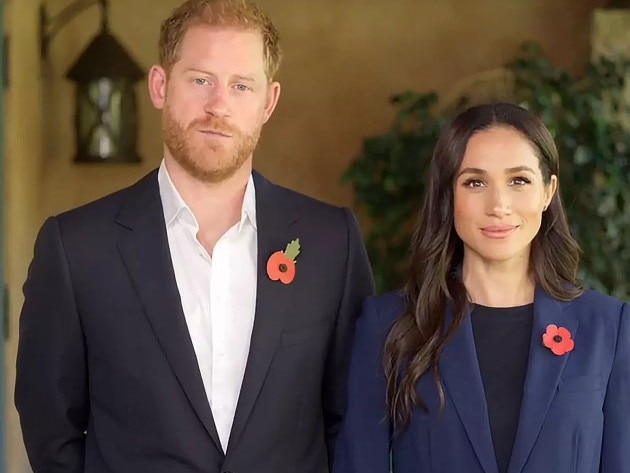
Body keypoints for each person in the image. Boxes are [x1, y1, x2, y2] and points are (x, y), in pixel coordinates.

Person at [15, 1, 374, 472]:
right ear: (160, 86)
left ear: (268, 101)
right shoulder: (76, 248)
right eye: (200, 79)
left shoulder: (332, 243)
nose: (218, 105)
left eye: (240, 85)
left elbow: (354, 419)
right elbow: (50, 427)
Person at [333, 102, 630, 473]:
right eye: (475, 182)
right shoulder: (389, 326)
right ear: (448, 194)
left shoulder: (609, 327)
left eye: (519, 180)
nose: (499, 205)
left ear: (548, 191)